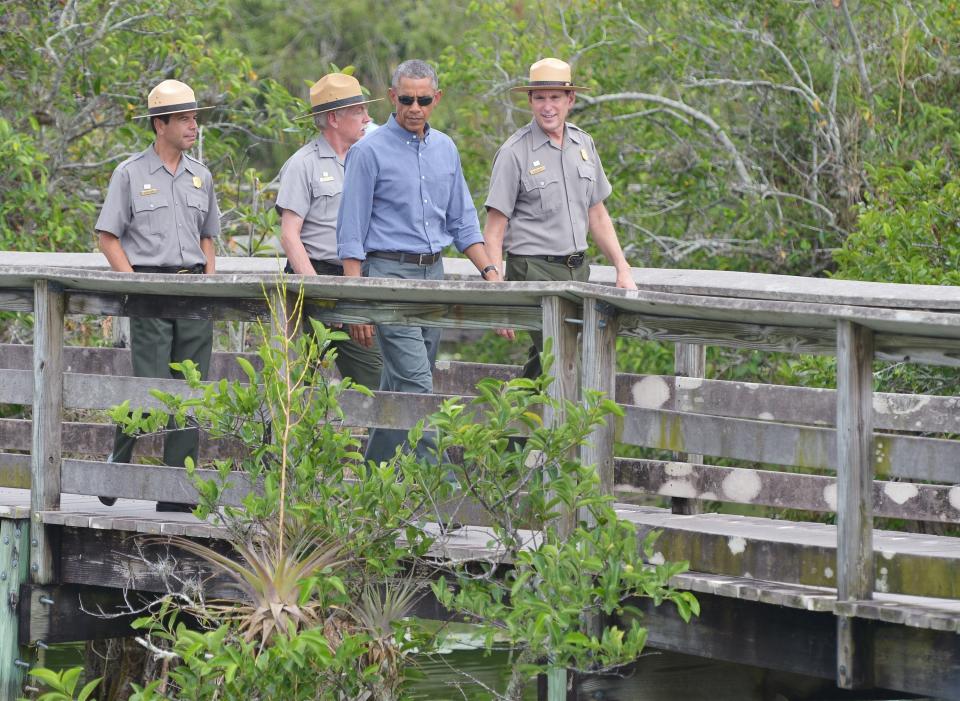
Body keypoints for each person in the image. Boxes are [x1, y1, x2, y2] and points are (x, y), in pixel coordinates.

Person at [337, 59, 500, 465]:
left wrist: (491, 274)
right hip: (388, 275)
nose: (414, 107)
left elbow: (463, 222)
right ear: (392, 97)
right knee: (418, 384)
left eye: (423, 99)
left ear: (436, 99)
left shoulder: (446, 148)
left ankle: (374, 486)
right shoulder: (367, 152)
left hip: (434, 274)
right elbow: (351, 233)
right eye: (406, 98)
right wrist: (356, 299)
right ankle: (437, 498)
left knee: (401, 388)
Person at [95, 79, 220, 512]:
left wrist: (208, 280)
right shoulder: (130, 173)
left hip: (194, 293)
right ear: (159, 123)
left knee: (190, 390)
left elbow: (210, 237)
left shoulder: (201, 176)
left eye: (195, 117)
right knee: (148, 391)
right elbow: (107, 236)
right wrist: (133, 285)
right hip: (148, 289)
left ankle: (176, 490)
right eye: (184, 118)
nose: (193, 126)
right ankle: (117, 469)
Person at [483, 57, 637, 379]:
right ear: (530, 101)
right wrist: (498, 297)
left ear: (571, 99)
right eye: (540, 98)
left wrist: (622, 268)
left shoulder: (584, 144)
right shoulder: (515, 152)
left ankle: (515, 426)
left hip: (577, 269)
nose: (547, 107)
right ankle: (555, 428)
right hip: (533, 270)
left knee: (548, 363)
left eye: (555, 97)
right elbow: (494, 231)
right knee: (563, 361)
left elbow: (597, 214)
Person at [277, 72, 383, 389]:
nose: (367, 118)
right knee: (298, 385)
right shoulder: (303, 163)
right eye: (358, 111)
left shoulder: (367, 158)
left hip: (356, 280)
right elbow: (289, 235)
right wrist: (320, 290)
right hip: (314, 281)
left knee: (375, 378)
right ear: (335, 118)